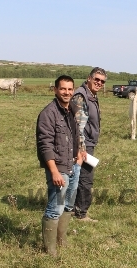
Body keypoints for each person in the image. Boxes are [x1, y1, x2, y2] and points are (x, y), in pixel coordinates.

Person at [36, 75, 86, 256]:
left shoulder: (71, 109)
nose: (67, 92)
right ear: (55, 90)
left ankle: (61, 240)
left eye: (70, 89)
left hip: (73, 165)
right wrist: (54, 171)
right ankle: (50, 249)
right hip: (59, 169)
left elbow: (75, 135)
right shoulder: (48, 113)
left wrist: (80, 154)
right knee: (55, 207)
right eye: (63, 89)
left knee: (68, 206)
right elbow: (45, 145)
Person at [71, 67, 106, 222]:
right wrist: (82, 148)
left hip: (87, 142)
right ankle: (81, 213)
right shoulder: (81, 96)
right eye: (96, 79)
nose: (99, 83)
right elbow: (77, 125)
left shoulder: (90, 95)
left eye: (102, 81)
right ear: (89, 78)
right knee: (85, 178)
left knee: (78, 176)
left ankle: (72, 208)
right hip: (83, 143)